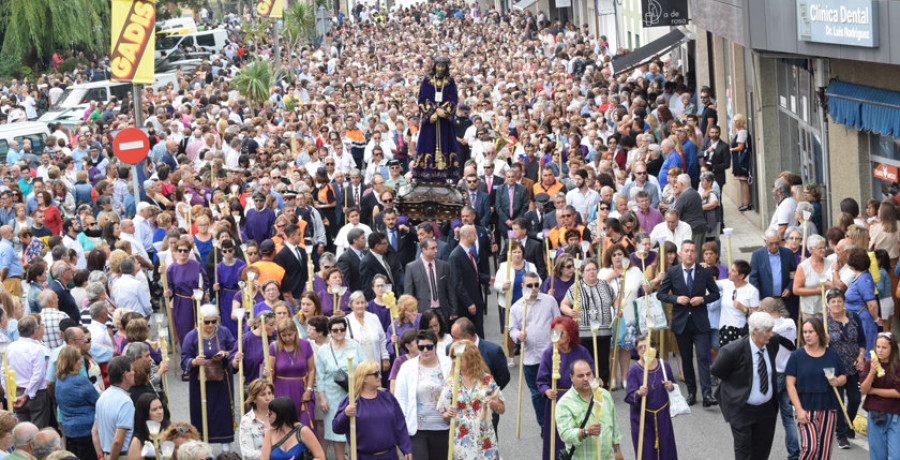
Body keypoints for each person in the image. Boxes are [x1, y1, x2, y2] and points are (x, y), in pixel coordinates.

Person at [657, 240, 721, 406]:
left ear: (696, 254)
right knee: (686, 358)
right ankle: (692, 393)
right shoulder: (673, 272)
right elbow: (661, 294)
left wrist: (703, 299)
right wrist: (676, 299)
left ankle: (707, 394)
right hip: (681, 322)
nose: (690, 254)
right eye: (687, 251)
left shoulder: (704, 272)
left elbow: (715, 294)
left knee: (701, 357)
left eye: (693, 251)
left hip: (700, 322)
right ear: (681, 254)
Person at [711, 312, 780, 460]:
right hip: (742, 409)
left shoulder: (772, 342)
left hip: (767, 410)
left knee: (761, 452)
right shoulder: (732, 350)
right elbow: (717, 371)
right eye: (768, 330)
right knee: (744, 452)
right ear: (755, 330)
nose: (771, 334)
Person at [785, 318, 847, 459]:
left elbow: (844, 377)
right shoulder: (796, 356)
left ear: (819, 333)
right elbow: (790, 384)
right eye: (805, 332)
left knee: (824, 453)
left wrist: (837, 381)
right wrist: (799, 409)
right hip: (806, 409)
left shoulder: (832, 354)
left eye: (811, 332)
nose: (807, 335)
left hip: (829, 409)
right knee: (810, 448)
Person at [537, 316, 595, 460]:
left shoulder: (581, 351)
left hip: (580, 400)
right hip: (557, 401)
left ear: (570, 334)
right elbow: (541, 380)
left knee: (580, 435)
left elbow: (591, 374)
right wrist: (547, 391)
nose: (556, 335)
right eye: (553, 332)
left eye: (560, 332)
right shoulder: (549, 353)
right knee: (557, 440)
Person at [436, 340, 505, 460]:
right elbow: (444, 413)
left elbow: (502, 408)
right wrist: (448, 414)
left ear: (471, 357)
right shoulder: (452, 382)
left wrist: (493, 404)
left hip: (484, 435)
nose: (454, 360)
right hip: (463, 438)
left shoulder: (487, 380)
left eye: (459, 357)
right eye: (452, 357)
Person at [508, 271, 560, 429]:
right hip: (530, 356)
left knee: (554, 390)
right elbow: (512, 329)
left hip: (551, 354)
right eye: (530, 285)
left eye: (537, 284)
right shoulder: (517, 307)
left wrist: (558, 341)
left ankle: (557, 422)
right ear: (523, 286)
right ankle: (544, 424)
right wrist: (518, 335)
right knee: (537, 393)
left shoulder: (549, 301)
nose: (534, 288)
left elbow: (558, 322)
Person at [179, 304, 236, 446]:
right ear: (200, 321)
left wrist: (226, 353)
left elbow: (234, 348)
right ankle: (204, 445)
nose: (210, 325)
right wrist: (194, 361)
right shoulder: (192, 336)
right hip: (200, 383)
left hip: (222, 382)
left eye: (213, 321)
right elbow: (184, 358)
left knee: (223, 412)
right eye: (206, 322)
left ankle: (225, 444)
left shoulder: (224, 332)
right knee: (201, 412)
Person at [333, 360, 414, 460]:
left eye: (379, 373)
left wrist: (406, 448)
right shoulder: (351, 401)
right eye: (376, 374)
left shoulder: (388, 397)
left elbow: (400, 424)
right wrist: (345, 414)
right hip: (362, 457)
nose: (380, 376)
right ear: (364, 378)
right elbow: (337, 428)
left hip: (390, 456)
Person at [394, 329, 451, 458]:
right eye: (421, 347)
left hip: (442, 427)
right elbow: (400, 399)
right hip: (417, 429)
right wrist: (403, 428)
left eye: (429, 347)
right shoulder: (407, 367)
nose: (425, 350)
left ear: (435, 346)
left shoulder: (448, 364)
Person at [559, 258, 615, 387]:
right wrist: (570, 311)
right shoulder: (576, 287)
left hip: (604, 331)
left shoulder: (605, 285)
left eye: (594, 269)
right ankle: (586, 389)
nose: (592, 272)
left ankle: (602, 389)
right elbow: (563, 304)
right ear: (582, 272)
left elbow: (615, 300)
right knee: (586, 364)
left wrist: (618, 308)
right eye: (588, 270)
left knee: (603, 363)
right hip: (584, 333)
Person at [315, 317, 365, 460]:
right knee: (337, 433)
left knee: (359, 430)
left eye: (342, 329)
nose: (339, 332)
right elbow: (320, 376)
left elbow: (364, 366)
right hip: (332, 395)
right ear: (330, 332)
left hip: (355, 393)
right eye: (335, 330)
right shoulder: (324, 351)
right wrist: (322, 398)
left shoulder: (355, 346)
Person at [822, 289, 866, 449]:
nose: (836, 304)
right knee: (838, 403)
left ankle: (848, 424)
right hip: (835, 369)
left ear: (844, 302)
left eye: (839, 300)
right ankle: (841, 435)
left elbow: (862, 341)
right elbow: (815, 346)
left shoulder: (854, 317)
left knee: (855, 399)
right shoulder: (824, 321)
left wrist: (861, 357)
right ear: (828, 303)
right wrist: (823, 341)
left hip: (853, 367)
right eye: (833, 301)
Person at [555, 359, 624, 460]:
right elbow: (565, 434)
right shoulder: (564, 403)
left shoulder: (604, 395)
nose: (586, 378)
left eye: (588, 374)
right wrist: (585, 432)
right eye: (580, 376)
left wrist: (617, 450)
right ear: (571, 378)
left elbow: (614, 425)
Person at [759, 297, 800, 460]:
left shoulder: (765, 329)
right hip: (788, 375)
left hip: (772, 377)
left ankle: (760, 453)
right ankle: (794, 453)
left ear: (764, 312)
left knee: (765, 418)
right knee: (788, 416)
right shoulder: (790, 324)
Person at [625, 334, 676, 460]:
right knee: (646, 452)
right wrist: (638, 393)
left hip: (662, 416)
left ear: (655, 348)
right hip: (642, 419)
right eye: (640, 347)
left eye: (646, 346)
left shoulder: (664, 366)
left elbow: (673, 387)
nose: (643, 350)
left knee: (666, 450)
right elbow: (630, 397)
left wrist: (670, 386)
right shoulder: (634, 371)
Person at [599, 244, 643, 389]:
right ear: (610, 257)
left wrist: (651, 284)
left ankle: (625, 376)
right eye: (614, 255)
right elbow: (597, 289)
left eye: (620, 254)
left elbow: (645, 286)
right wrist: (610, 277)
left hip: (629, 314)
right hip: (610, 316)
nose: (618, 257)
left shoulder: (634, 271)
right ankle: (613, 376)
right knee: (612, 348)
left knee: (626, 348)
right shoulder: (604, 271)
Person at [411, 56, 461, 182]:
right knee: (428, 145)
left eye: (442, 66)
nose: (440, 69)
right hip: (431, 122)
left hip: (444, 122)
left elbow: (454, 99)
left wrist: (443, 111)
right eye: (438, 66)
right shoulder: (427, 81)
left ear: (446, 67)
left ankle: (444, 175)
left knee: (445, 145)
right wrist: (431, 113)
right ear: (435, 66)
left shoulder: (450, 81)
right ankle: (425, 174)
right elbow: (422, 98)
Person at [2, 315, 51, 427]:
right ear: (34, 331)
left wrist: (9, 393)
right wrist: (27, 394)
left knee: (22, 429)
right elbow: (38, 374)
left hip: (17, 391)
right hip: (36, 394)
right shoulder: (37, 348)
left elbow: (3, 372)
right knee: (37, 430)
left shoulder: (10, 347)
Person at [268, 318, 316, 429]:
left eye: (290, 334)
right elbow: (271, 371)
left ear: (295, 332)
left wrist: (309, 390)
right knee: (284, 425)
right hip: (281, 391)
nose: (287, 338)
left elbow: (312, 369)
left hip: (301, 389)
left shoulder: (305, 345)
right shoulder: (274, 347)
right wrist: (267, 373)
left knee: (305, 425)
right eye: (283, 335)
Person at [54, 345, 99, 460]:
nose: (81, 360)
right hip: (86, 430)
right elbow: (96, 400)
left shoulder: (59, 380)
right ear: (71, 362)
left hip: (69, 430)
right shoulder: (80, 381)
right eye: (78, 358)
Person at [860, 332, 900, 459]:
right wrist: (872, 371)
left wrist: (874, 391)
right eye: (878, 347)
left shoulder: (897, 365)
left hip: (895, 414)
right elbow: (865, 389)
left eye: (884, 347)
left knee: (896, 455)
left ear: (892, 348)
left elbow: (898, 392)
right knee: (878, 454)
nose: (880, 351)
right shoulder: (869, 363)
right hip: (876, 413)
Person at [165, 238, 210, 346]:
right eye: (180, 250)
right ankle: (187, 357)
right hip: (181, 304)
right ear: (175, 251)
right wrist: (168, 293)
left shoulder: (196, 265)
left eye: (185, 250)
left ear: (190, 251)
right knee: (184, 330)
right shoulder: (172, 269)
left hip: (197, 302)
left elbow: (205, 282)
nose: (183, 253)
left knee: (200, 329)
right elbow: (170, 287)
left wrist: (200, 291)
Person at [404, 237, 457, 325]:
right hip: (422, 311)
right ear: (423, 250)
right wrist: (412, 313)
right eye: (432, 248)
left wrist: (454, 310)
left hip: (442, 310)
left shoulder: (444, 266)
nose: (436, 250)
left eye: (436, 247)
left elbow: (450, 289)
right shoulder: (412, 268)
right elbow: (409, 293)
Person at [91, 356, 135, 460]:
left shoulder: (102, 397)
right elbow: (117, 440)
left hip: (106, 454)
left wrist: (100, 456)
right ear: (125, 374)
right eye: (132, 370)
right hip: (121, 456)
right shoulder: (125, 402)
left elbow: (94, 431)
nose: (134, 373)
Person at [260, 397, 325, 460]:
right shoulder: (270, 432)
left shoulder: (303, 431)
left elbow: (320, 457)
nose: (267, 415)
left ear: (281, 414)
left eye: (270, 413)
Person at [717, 260, 761, 348]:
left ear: (741, 276)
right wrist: (704, 268)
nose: (729, 272)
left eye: (733, 271)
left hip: (741, 330)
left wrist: (743, 308)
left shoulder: (752, 291)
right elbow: (710, 283)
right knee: (726, 359)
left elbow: (756, 315)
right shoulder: (726, 283)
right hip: (725, 329)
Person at [843, 247, 878, 352]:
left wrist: (875, 319)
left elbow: (872, 304)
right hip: (856, 321)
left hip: (863, 321)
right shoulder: (860, 277)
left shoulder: (864, 279)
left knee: (866, 350)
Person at [346, 291, 389, 371]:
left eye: (362, 303)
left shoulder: (373, 318)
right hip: (357, 366)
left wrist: (385, 357)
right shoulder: (346, 320)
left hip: (374, 363)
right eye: (357, 303)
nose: (360, 306)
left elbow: (382, 339)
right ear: (351, 305)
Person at [793, 234, 832, 321]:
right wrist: (816, 291)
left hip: (829, 309)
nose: (823, 250)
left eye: (824, 247)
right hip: (810, 312)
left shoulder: (830, 263)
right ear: (811, 249)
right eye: (820, 248)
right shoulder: (803, 267)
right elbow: (796, 290)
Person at [232, 311, 276, 384]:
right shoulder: (246, 339)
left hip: (274, 383)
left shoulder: (276, 337)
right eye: (271, 325)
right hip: (252, 384)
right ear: (260, 325)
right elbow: (233, 364)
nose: (274, 328)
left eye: (275, 324)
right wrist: (236, 360)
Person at [238, 379, 274, 460]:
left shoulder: (279, 415)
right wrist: (273, 455)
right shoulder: (247, 421)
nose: (268, 398)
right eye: (263, 395)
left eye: (269, 393)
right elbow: (247, 452)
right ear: (254, 399)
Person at [127, 394, 170, 460]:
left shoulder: (170, 429)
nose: (159, 412)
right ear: (145, 413)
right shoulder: (138, 440)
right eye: (154, 409)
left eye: (160, 407)